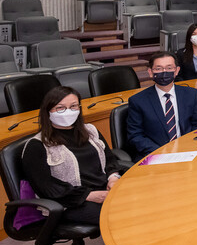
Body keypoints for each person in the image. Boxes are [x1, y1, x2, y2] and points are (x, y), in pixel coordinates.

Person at [21, 87, 122, 225]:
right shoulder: (37, 145)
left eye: (73, 106)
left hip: (104, 189)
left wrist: (113, 178)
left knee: (139, 202)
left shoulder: (91, 131)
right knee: (119, 216)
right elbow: (46, 187)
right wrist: (87, 195)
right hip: (69, 203)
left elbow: (109, 159)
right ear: (48, 111)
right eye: (60, 108)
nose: (68, 112)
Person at [128, 51, 197, 160]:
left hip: (188, 152)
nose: (164, 72)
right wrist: (161, 152)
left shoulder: (191, 94)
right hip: (155, 154)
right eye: (158, 69)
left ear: (177, 71)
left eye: (169, 68)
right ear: (150, 72)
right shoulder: (138, 101)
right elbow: (135, 135)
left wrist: (188, 147)